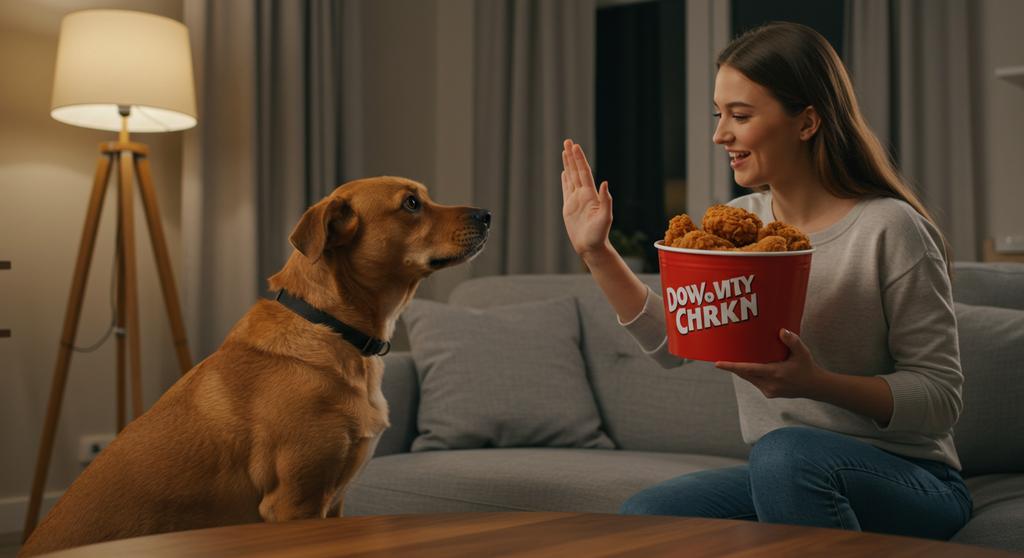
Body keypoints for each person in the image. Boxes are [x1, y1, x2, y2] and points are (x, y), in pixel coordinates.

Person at [559, 21, 971, 539]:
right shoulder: (740, 222)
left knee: (782, 455)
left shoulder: (889, 228)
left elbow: (940, 398)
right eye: (718, 114)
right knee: (650, 512)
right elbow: (676, 341)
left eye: (740, 115)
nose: (719, 134)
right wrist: (597, 251)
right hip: (789, 473)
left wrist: (815, 384)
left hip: (913, 481)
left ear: (807, 121)